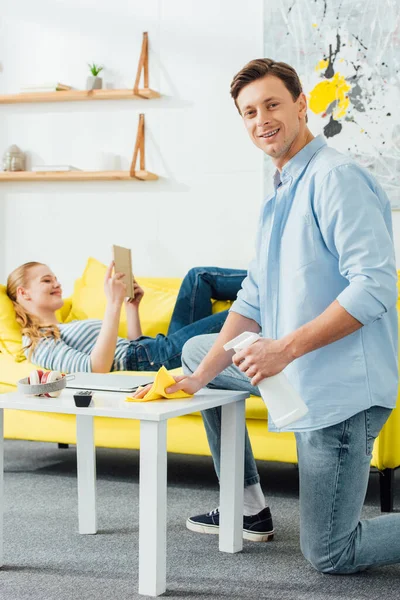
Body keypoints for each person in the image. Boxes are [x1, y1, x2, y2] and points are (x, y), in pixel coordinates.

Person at [135, 58, 400, 572]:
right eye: (249, 111)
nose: (262, 119)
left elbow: (376, 286)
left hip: (339, 394)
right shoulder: (279, 194)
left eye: (272, 104)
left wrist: (282, 349)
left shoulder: (336, 178)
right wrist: (197, 379)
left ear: (302, 106)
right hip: (296, 375)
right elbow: (252, 300)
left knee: (329, 553)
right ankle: (250, 505)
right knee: (196, 353)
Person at [6, 262, 246, 374]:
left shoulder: (66, 326)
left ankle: (271, 279)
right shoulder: (37, 343)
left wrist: (132, 307)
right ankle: (275, 296)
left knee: (198, 278)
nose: (57, 283)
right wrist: (114, 303)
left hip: (148, 349)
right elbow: (96, 368)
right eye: (46, 280)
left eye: (55, 278)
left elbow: (129, 346)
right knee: (245, 312)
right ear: (23, 293)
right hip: (152, 356)